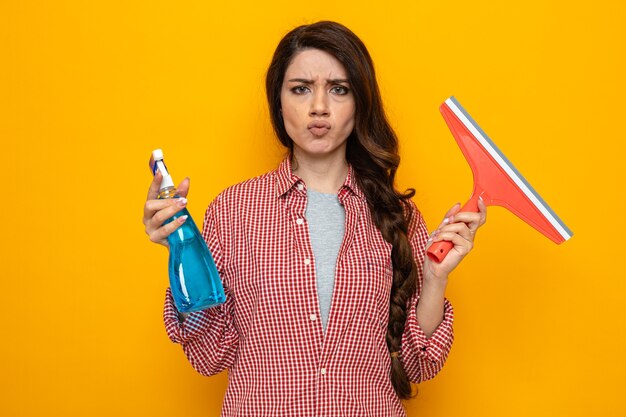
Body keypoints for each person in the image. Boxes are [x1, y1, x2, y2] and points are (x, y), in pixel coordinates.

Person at [143, 21, 486, 416]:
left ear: (360, 103)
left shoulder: (398, 217)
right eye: (301, 88)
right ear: (279, 101)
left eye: (338, 89)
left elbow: (417, 364)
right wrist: (181, 250)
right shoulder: (232, 211)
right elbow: (210, 357)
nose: (319, 106)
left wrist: (435, 279)